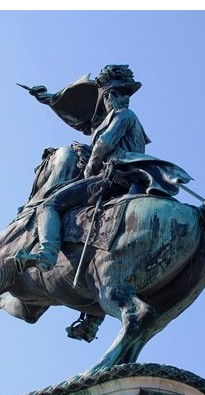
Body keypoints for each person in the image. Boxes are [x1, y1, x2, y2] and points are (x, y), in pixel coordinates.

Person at [16, 65, 152, 272]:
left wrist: (89, 168)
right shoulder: (127, 117)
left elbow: (103, 144)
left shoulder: (123, 115)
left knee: (49, 205)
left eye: (111, 95)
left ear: (109, 96)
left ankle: (47, 253)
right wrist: (48, 98)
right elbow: (84, 120)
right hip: (129, 179)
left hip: (115, 176)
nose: (112, 100)